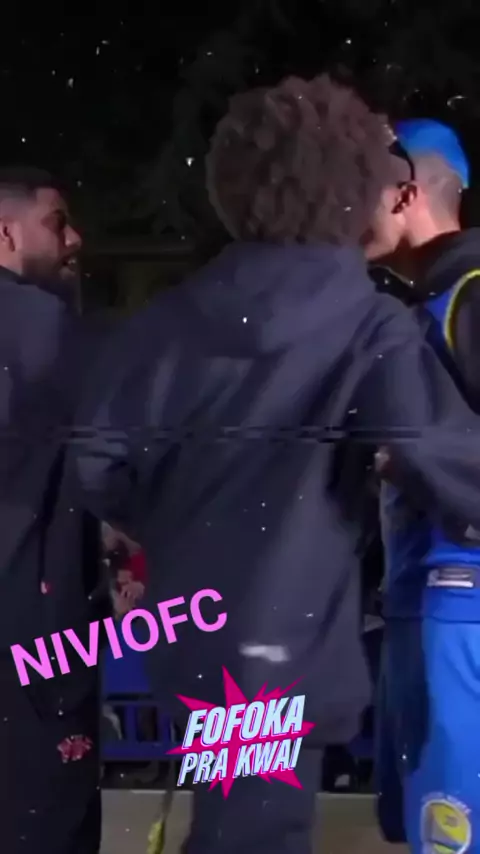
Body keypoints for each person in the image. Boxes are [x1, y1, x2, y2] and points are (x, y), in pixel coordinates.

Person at [75, 79, 480, 854]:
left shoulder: (164, 322)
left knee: (238, 825)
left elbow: (96, 458)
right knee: (258, 831)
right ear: (351, 191)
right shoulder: (368, 327)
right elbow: (443, 455)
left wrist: (183, 524)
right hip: (294, 635)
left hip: (197, 628)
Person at [365, 120, 480, 854]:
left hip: (464, 606)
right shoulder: (427, 305)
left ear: (404, 193)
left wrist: (409, 456)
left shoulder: (470, 293)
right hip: (423, 604)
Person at [0, 167, 108, 853]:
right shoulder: (48, 330)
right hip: (35, 640)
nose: (75, 240)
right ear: (6, 234)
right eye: (57, 223)